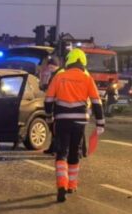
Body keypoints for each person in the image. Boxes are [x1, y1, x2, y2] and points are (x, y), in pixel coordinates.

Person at [44, 49, 104, 203]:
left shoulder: (59, 77)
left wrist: (49, 118)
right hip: (80, 122)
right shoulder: (87, 78)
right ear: (83, 62)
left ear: (69, 61)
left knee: (61, 153)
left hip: (62, 120)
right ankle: (72, 185)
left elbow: (48, 100)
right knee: (74, 152)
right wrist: (100, 123)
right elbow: (97, 102)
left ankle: (61, 186)